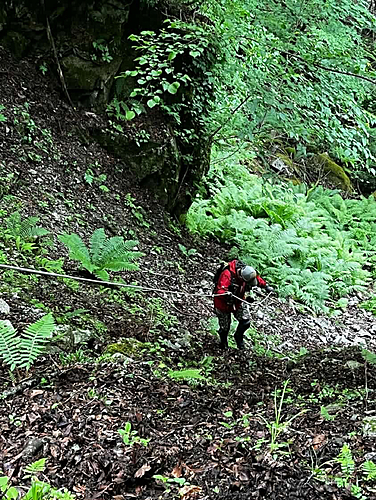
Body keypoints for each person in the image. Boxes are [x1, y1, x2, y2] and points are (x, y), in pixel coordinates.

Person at [213, 259, 274, 350]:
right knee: (225, 327)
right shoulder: (227, 274)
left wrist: (265, 286)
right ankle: (223, 343)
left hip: (238, 302)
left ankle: (238, 337)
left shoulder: (247, 273)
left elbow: (256, 278)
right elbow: (220, 290)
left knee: (245, 321)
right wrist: (226, 295)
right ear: (242, 278)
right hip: (223, 304)